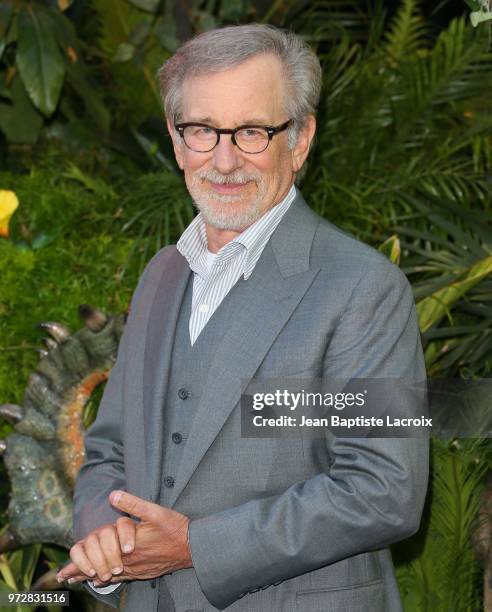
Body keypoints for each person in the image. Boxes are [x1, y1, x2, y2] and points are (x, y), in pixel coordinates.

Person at [58, 23, 429, 612]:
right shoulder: (163, 274)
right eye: (202, 131)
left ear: (300, 139)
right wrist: (107, 535)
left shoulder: (365, 287)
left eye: (253, 131)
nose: (224, 160)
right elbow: (111, 452)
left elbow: (384, 490)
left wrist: (196, 547)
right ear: (178, 142)